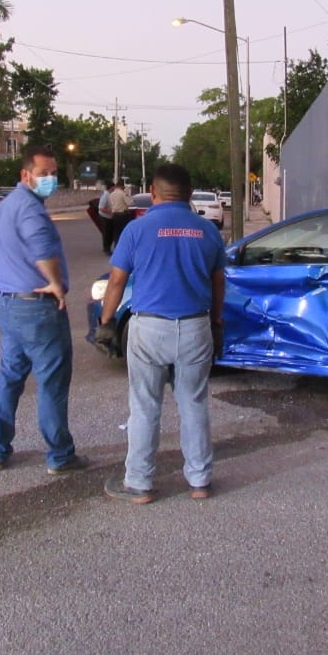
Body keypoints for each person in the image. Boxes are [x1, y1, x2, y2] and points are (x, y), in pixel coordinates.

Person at [96, 162, 226, 504]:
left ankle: (139, 484)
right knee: (194, 403)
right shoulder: (208, 231)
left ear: (153, 192)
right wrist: (216, 323)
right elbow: (218, 283)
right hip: (196, 326)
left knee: (144, 407)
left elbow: (117, 281)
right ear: (188, 193)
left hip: (149, 329)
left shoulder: (137, 230)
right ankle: (199, 481)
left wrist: (107, 322)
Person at [0, 145, 88, 475]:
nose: (50, 180)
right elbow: (41, 247)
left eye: (54, 174)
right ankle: (60, 455)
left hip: (10, 306)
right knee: (52, 382)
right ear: (25, 176)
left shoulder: (5, 208)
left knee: (9, 378)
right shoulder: (29, 209)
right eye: (43, 174)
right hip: (38, 308)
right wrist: (55, 282)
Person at [108, 179, 132, 251]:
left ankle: (116, 247)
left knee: (116, 232)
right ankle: (123, 248)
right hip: (123, 215)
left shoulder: (111, 194)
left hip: (114, 215)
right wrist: (128, 195)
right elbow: (130, 203)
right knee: (124, 232)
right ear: (122, 186)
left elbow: (110, 204)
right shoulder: (122, 193)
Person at [96, 180, 114, 254]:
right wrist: (110, 211)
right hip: (104, 217)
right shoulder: (105, 195)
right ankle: (106, 249)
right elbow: (101, 207)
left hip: (109, 217)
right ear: (111, 188)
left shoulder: (110, 194)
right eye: (114, 188)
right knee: (106, 234)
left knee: (110, 233)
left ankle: (107, 248)